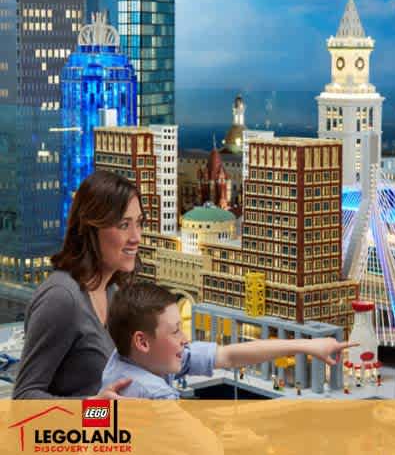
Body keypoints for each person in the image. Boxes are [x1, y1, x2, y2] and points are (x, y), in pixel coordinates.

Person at [102, 282, 356, 399]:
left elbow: (230, 356)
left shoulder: (122, 362)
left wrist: (307, 345)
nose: (185, 339)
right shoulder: (157, 395)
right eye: (175, 331)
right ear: (143, 342)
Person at [14, 171, 140, 399]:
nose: (136, 237)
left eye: (138, 223)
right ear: (91, 229)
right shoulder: (61, 299)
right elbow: (23, 399)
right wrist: (96, 408)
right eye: (123, 225)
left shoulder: (112, 291)